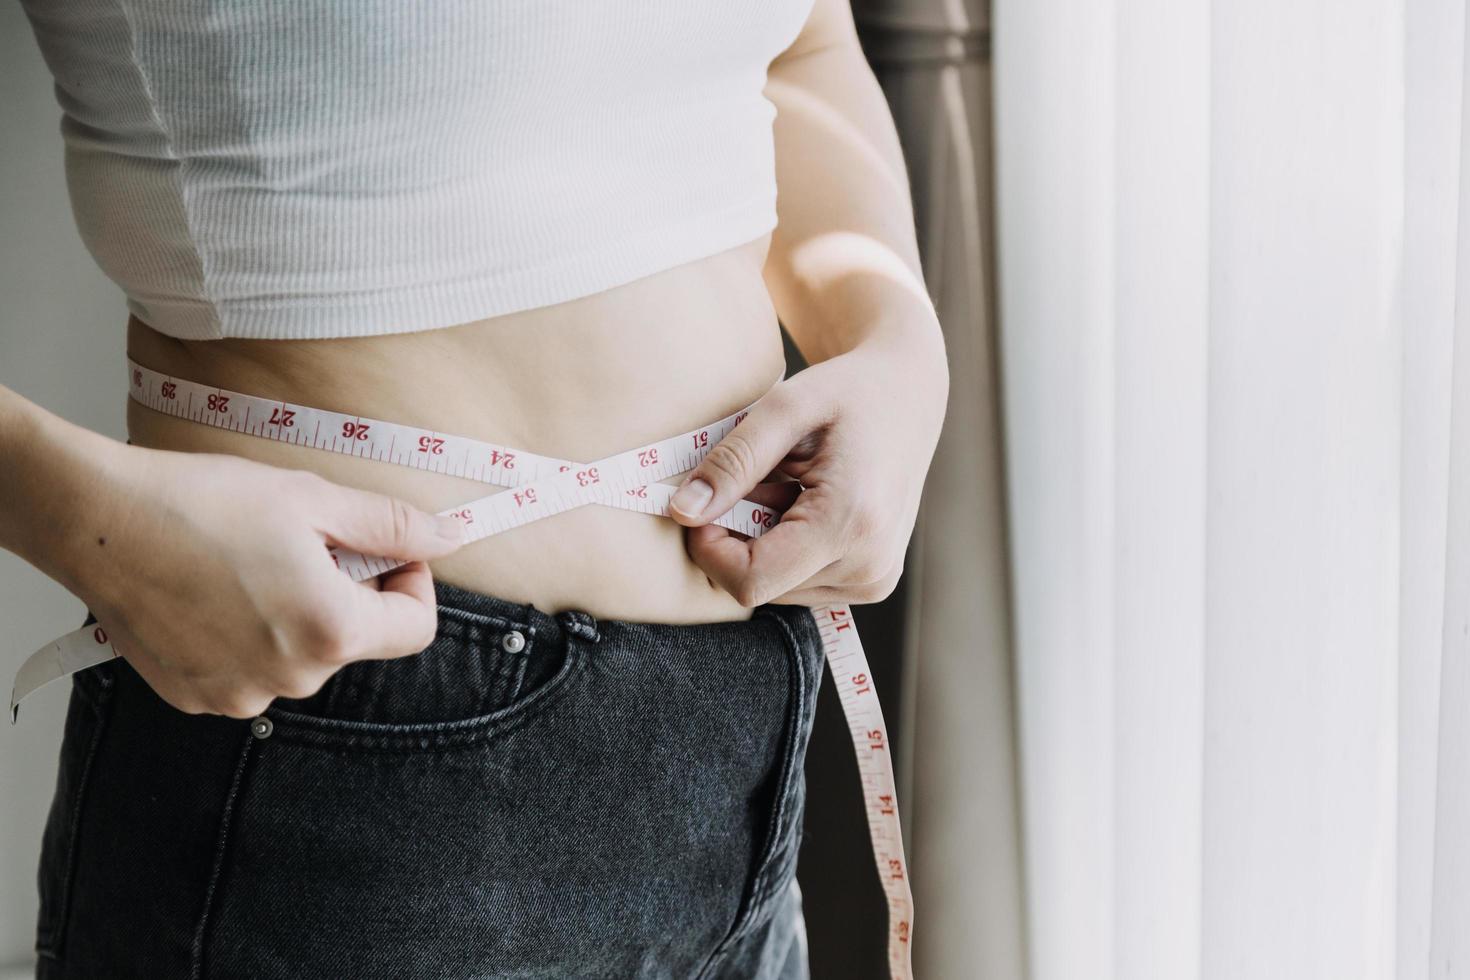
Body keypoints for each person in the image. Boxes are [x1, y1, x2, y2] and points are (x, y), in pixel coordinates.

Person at [1, 0, 948, 977]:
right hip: (360, 758)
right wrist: (86, 519)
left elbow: (800, 42)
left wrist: (897, 340)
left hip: (744, 739)